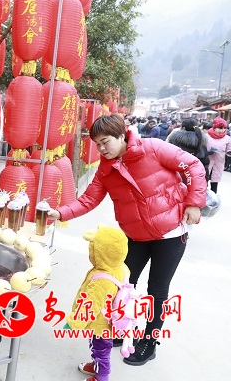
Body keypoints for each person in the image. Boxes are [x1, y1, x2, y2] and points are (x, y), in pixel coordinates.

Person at [47, 114, 206, 367]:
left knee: (157, 290)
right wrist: (60, 213)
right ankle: (121, 328)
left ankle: (149, 342)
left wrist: (194, 202)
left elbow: (193, 165)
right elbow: (88, 200)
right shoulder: (105, 170)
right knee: (123, 283)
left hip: (171, 232)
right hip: (136, 235)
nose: (101, 149)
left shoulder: (153, 148)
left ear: (122, 135)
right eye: (97, 144)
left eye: (106, 142)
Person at [69, 226, 129, 381]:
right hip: (111, 319)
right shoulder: (121, 267)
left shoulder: (102, 280)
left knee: (100, 350)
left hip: (101, 324)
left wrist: (75, 322)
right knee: (100, 348)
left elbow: (91, 305)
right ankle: (97, 366)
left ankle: (101, 377)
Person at [206, 117, 231, 193]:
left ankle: (213, 198)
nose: (222, 130)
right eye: (220, 128)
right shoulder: (207, 136)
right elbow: (201, 148)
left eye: (224, 128)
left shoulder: (227, 138)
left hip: (219, 162)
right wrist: (207, 152)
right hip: (207, 161)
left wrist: (229, 153)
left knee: (214, 182)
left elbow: (229, 149)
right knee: (204, 181)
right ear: (214, 127)